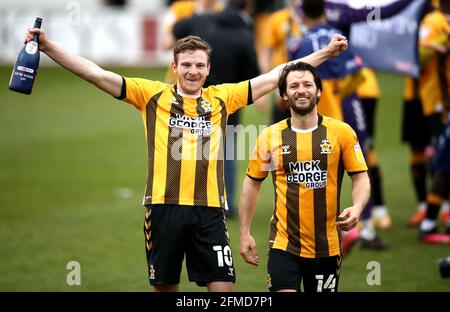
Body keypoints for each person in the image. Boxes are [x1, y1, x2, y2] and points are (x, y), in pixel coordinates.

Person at [24, 25, 348, 291]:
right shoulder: (151, 94)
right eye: (187, 65)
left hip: (209, 212)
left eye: (200, 65)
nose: (193, 71)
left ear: (208, 69)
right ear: (175, 67)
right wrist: (49, 47)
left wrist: (324, 53)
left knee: (224, 289)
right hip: (164, 208)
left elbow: (279, 73)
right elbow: (97, 74)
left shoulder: (223, 97)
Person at [239, 61, 371, 292]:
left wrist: (358, 207)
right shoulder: (269, 136)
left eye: (307, 84)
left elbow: (361, 177)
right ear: (283, 94)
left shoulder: (342, 132)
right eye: (294, 86)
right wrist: (244, 232)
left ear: (319, 91)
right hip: (283, 244)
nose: (301, 90)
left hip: (327, 245)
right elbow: (252, 184)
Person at [289, 0, 388, 252]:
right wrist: (342, 91)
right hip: (347, 108)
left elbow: (291, 80)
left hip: (316, 113)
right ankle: (365, 227)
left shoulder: (298, 44)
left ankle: (317, 230)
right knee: (359, 165)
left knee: (315, 170)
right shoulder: (338, 38)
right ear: (324, 11)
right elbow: (357, 73)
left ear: (302, 13)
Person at [172, 0, 260, 217]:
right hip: (228, 102)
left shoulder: (203, 21)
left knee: (186, 150)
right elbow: (252, 74)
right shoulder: (244, 36)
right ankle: (225, 202)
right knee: (227, 154)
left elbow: (176, 29)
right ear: (247, 10)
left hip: (193, 100)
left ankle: (184, 197)